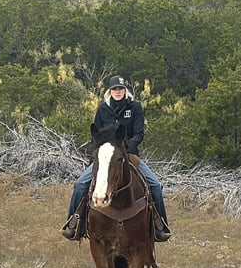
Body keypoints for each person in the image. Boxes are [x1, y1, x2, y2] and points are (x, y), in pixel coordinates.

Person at [61, 75, 172, 242]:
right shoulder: (103, 110)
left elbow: (139, 133)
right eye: (115, 89)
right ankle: (74, 222)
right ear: (110, 91)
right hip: (105, 157)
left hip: (129, 154)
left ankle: (160, 224)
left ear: (125, 90)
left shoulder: (135, 108)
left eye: (120, 89)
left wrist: (126, 149)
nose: (118, 92)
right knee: (80, 185)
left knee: (155, 185)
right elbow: (96, 136)